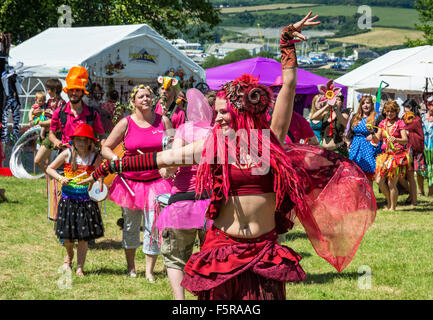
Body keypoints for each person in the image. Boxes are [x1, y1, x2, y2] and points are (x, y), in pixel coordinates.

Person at [82, 12, 376, 300]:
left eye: (223, 112)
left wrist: (286, 46)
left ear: (240, 110)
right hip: (223, 249)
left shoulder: (267, 142)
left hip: (264, 252)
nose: (217, 117)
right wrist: (113, 164)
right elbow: (162, 159)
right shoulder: (213, 146)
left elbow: (288, 86)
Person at [101, 84, 173, 281]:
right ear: (133, 102)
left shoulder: (163, 121)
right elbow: (106, 147)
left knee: (154, 226)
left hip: (156, 182)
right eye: (141, 96)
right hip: (130, 184)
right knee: (131, 226)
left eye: (148, 96)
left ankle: (149, 271)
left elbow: (174, 147)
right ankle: (131, 268)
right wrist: (116, 161)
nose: (146, 99)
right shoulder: (126, 123)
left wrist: (169, 165)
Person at [155, 88, 213, 300]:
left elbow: (171, 165)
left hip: (183, 200)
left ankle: (181, 302)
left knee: (175, 258)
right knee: (212, 255)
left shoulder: (184, 130)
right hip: (211, 202)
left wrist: (163, 170)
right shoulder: (216, 131)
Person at [46, 123, 104, 276]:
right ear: (73, 141)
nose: (82, 143)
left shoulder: (95, 157)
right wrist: (60, 178)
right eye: (79, 140)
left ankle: (79, 267)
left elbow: (101, 175)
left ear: (91, 142)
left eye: (85, 140)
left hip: (87, 202)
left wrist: (96, 182)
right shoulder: (67, 154)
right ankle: (68, 257)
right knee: (68, 237)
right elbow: (49, 168)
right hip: (68, 201)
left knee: (83, 237)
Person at [49, 67, 106, 150]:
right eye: (71, 90)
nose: (74, 93)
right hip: (65, 155)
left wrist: (104, 146)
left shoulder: (92, 114)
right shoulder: (59, 112)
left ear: (82, 93)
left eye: (77, 90)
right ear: (67, 91)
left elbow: (102, 135)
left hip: (87, 156)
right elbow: (51, 133)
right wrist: (55, 141)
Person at [370, 100, 409, 211]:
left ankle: (392, 207)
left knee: (391, 184)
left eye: (391, 111)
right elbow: (376, 140)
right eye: (387, 111)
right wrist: (372, 133)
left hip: (396, 156)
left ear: (396, 112)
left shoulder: (400, 123)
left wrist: (396, 139)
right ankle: (388, 201)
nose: (389, 113)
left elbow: (405, 140)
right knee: (379, 181)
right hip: (385, 156)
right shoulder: (382, 123)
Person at [33, 79, 67, 171]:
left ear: (55, 90)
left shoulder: (61, 103)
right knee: (46, 162)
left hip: (54, 134)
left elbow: (57, 120)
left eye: (48, 89)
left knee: (38, 161)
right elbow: (46, 115)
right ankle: (52, 179)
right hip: (46, 133)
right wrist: (39, 114)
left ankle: (52, 177)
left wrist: (42, 123)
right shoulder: (49, 101)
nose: (47, 91)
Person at [347, 95, 381, 183]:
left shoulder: (377, 117)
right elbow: (351, 131)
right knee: (355, 172)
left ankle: (369, 195)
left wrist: (373, 134)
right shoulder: (355, 117)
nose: (365, 105)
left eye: (368, 103)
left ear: (372, 104)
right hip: (355, 146)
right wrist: (348, 141)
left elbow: (381, 133)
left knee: (368, 172)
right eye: (363, 103)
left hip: (368, 147)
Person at [311, 86, 350, 156]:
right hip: (324, 150)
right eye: (334, 99)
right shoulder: (326, 112)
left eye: (338, 100)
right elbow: (313, 117)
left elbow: (343, 122)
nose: (335, 101)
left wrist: (335, 107)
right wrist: (326, 106)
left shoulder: (344, 112)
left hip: (338, 150)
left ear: (342, 102)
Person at [399, 98, 424, 205]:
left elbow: (421, 137)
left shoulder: (417, 120)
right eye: (405, 107)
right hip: (402, 148)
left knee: (410, 175)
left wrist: (409, 134)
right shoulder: (402, 118)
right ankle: (411, 194)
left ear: (412, 107)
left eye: (408, 107)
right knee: (401, 175)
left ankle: (413, 198)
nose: (405, 109)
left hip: (412, 150)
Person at [418, 95, 433, 196]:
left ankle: (431, 192)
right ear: (428, 105)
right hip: (422, 146)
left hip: (432, 148)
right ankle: (420, 191)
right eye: (432, 104)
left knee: (432, 168)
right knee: (420, 167)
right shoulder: (422, 117)